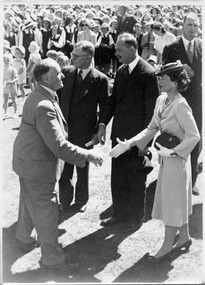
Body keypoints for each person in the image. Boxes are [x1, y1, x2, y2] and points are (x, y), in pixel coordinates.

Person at [12, 58, 103, 272]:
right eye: (58, 73)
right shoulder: (44, 104)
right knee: (47, 211)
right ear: (45, 78)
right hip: (38, 167)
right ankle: (52, 259)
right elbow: (59, 146)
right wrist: (88, 155)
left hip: (27, 163)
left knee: (28, 201)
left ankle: (24, 238)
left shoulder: (40, 95)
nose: (63, 75)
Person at [109, 61, 200, 263]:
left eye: (164, 77)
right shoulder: (161, 100)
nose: (159, 80)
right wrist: (129, 144)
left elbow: (194, 136)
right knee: (176, 200)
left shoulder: (181, 104)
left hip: (177, 161)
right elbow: (151, 128)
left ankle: (168, 245)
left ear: (175, 82)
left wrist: (173, 152)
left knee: (172, 202)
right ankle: (183, 237)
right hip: (167, 160)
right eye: (159, 76)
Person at [97, 33, 159, 233]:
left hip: (137, 138)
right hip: (119, 135)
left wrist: (145, 144)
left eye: (119, 50)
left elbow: (152, 113)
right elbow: (113, 101)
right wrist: (103, 123)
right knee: (118, 176)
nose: (116, 54)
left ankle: (136, 217)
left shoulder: (148, 73)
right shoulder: (122, 71)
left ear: (132, 49)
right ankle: (119, 213)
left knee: (136, 177)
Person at [58, 41, 109, 213]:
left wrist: (99, 129)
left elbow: (104, 107)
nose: (71, 57)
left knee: (82, 166)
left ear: (88, 58)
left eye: (75, 55)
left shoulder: (100, 79)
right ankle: (64, 201)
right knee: (65, 165)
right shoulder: (66, 73)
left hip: (86, 130)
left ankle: (81, 200)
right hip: (65, 129)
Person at [162, 12, 202, 195]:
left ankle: (192, 180)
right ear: (182, 26)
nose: (193, 28)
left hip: (197, 102)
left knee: (195, 139)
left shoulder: (201, 46)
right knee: (174, 138)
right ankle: (171, 180)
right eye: (190, 25)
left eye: (196, 25)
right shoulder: (171, 48)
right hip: (177, 101)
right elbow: (164, 77)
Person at [3, 53, 18, 119]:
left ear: (10, 61)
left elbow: (16, 78)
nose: (6, 62)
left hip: (12, 86)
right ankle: (5, 112)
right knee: (5, 100)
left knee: (14, 100)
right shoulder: (2, 69)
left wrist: (11, 81)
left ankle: (15, 112)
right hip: (5, 87)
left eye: (7, 60)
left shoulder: (12, 69)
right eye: (4, 60)